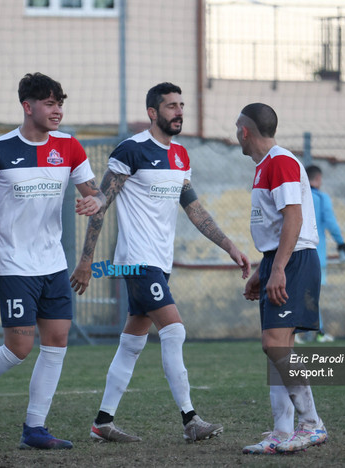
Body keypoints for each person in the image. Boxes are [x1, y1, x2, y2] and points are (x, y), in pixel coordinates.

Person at [70, 82, 251, 443]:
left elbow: (194, 209)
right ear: (153, 113)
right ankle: (191, 420)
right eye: (171, 106)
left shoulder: (182, 156)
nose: (179, 111)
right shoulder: (131, 150)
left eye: (181, 105)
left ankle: (102, 422)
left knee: (132, 344)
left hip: (158, 262)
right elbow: (101, 202)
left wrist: (229, 245)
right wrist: (86, 260)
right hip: (137, 262)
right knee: (175, 330)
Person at [0, 72, 104, 450]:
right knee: (18, 348)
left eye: (60, 104)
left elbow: (95, 196)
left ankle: (35, 428)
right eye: (50, 104)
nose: (57, 111)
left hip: (53, 264)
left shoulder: (69, 147)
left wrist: (94, 202)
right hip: (14, 265)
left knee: (57, 342)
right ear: (27, 106)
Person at [236, 103, 328, 454]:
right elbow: (276, 229)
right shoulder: (264, 167)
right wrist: (264, 270)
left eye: (237, 128)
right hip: (280, 260)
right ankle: (282, 431)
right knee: (279, 348)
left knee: (274, 344)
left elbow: (294, 219)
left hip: (295, 261)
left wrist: (277, 269)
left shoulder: (281, 161)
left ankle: (311, 425)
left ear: (245, 131)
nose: (236, 134)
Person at [302, 164, 345, 343]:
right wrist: (341, 243)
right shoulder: (321, 198)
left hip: (294, 253)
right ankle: (317, 333)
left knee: (297, 293)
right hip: (315, 255)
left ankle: (299, 333)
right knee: (312, 295)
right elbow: (330, 221)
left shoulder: (296, 196)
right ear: (318, 179)